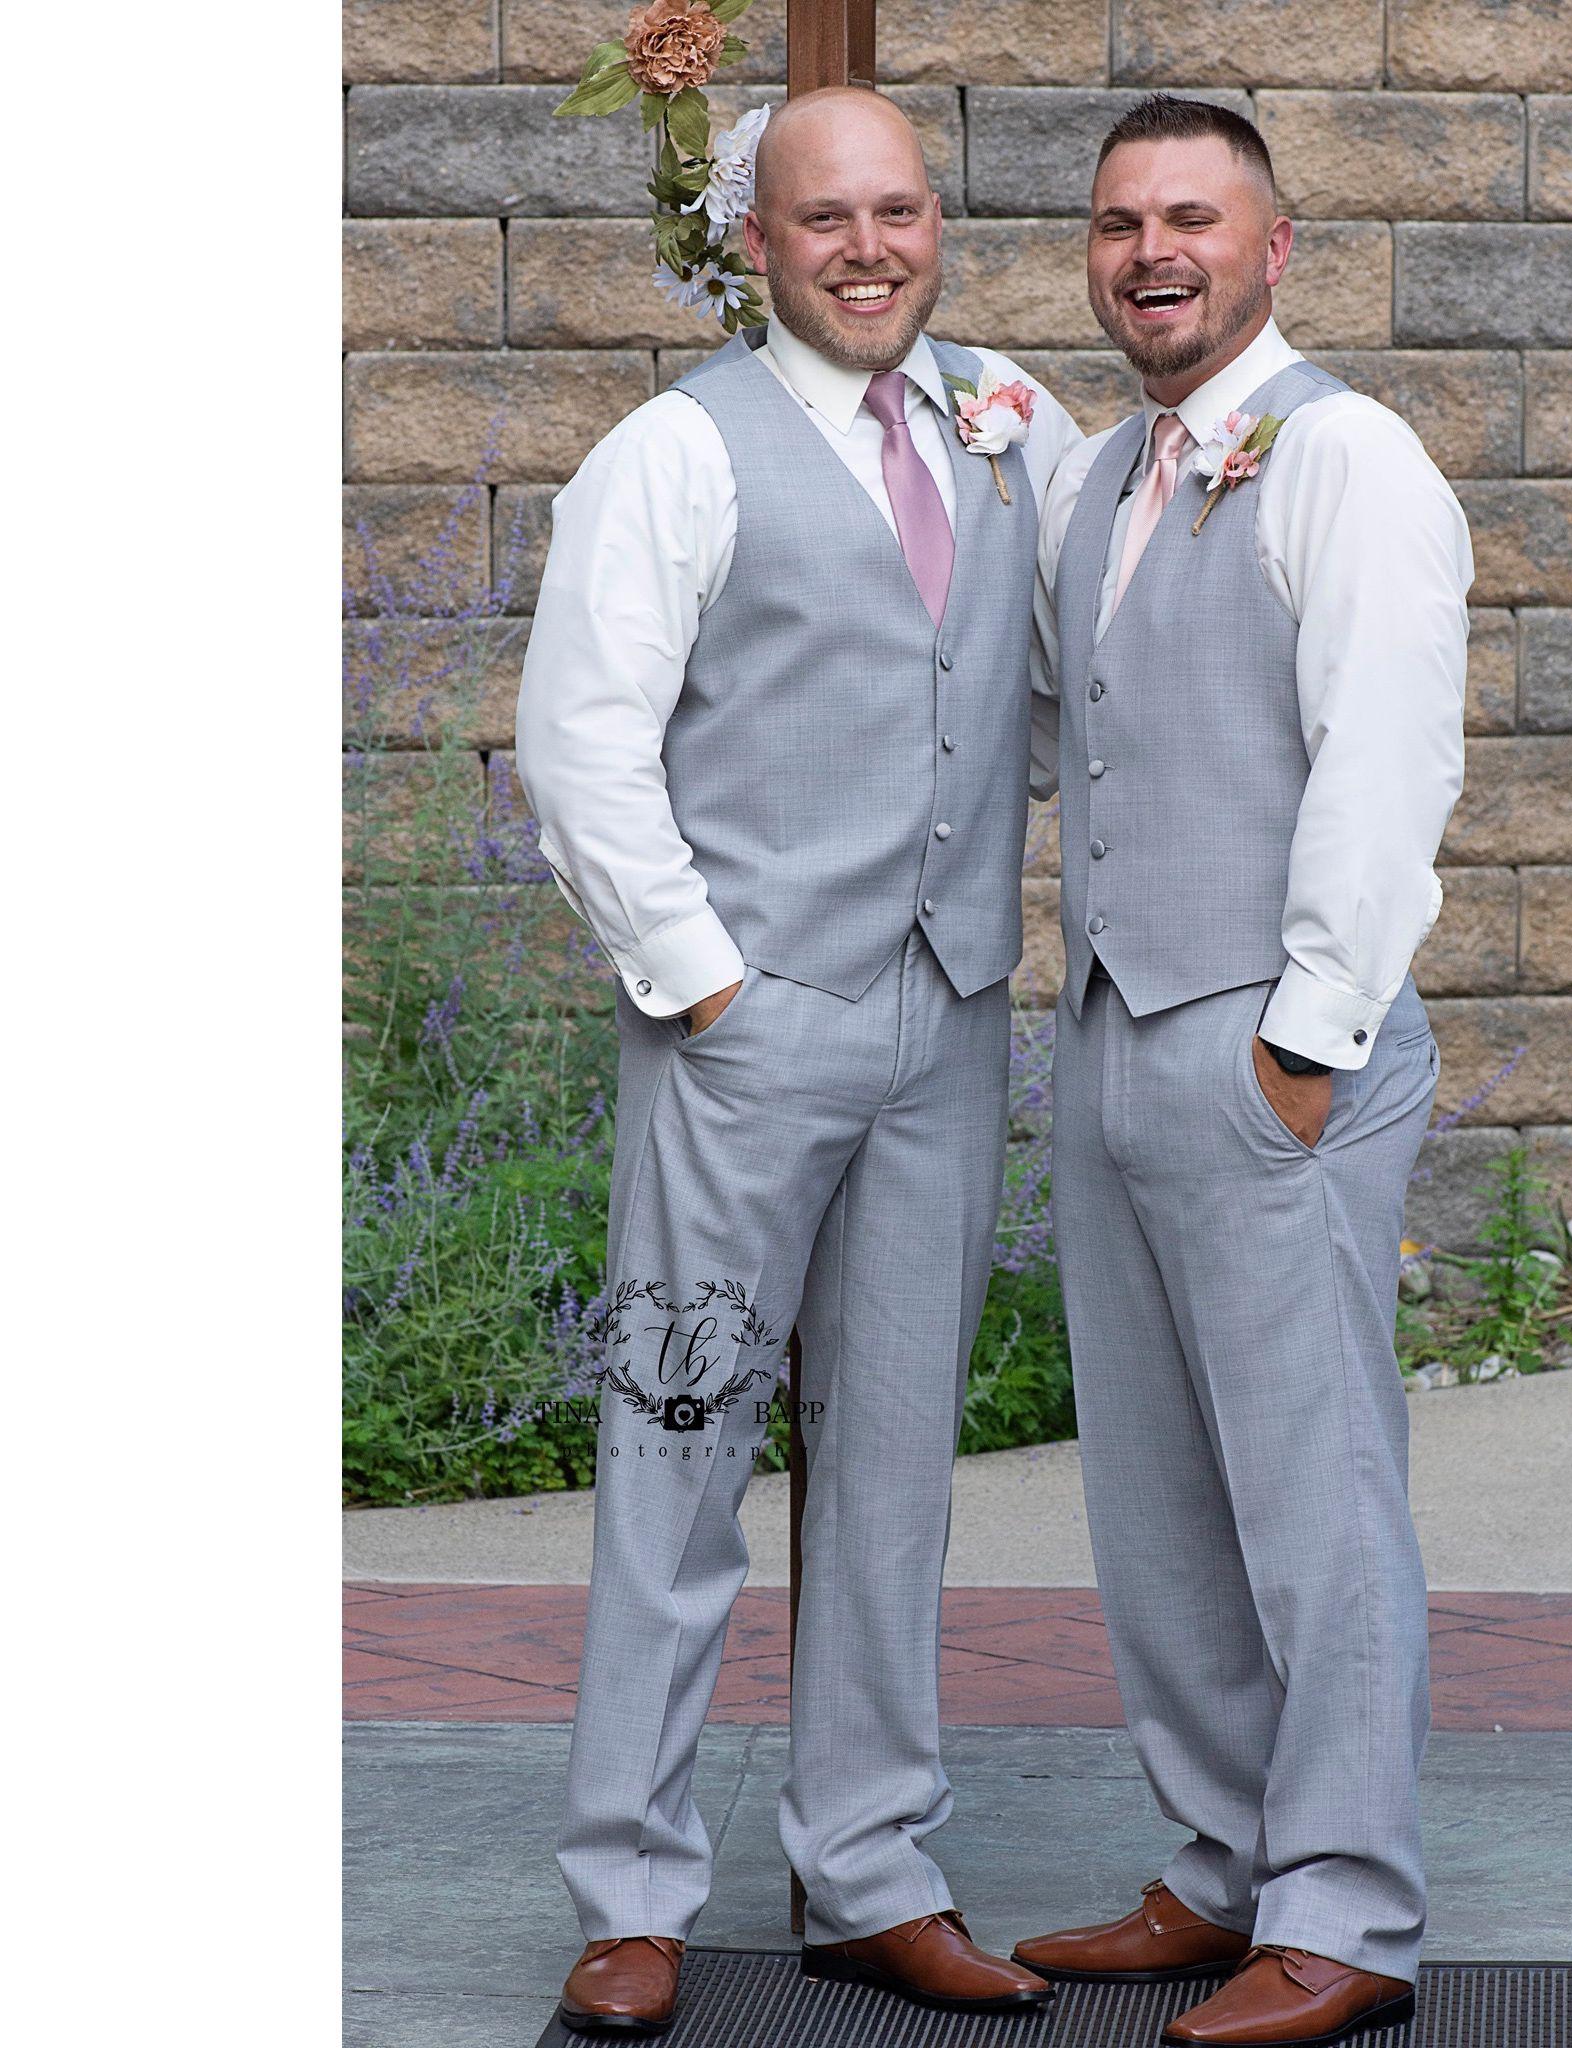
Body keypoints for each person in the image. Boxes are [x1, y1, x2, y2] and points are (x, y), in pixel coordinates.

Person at [514, 85, 1080, 2037]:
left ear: (937, 223)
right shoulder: (676, 453)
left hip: (946, 1021)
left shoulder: (1012, 424)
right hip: (743, 1031)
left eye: (897, 210)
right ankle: (629, 1888)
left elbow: (1078, 649)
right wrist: (706, 990)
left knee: (898, 1467)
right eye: (824, 216)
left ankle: (870, 1870)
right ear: (756, 240)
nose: (867, 248)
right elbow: (582, 744)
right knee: (675, 1448)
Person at [1010, 94, 1472, 2047]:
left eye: (1192, 218)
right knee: (1158, 1498)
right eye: (1122, 221)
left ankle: (1346, 1907)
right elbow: (1081, 724)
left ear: (1273, 249)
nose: (1153, 252)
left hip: (1272, 1051)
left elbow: (1387, 754)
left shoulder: (1346, 457)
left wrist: (1303, 1043)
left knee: (1314, 1493)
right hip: (1118, 1034)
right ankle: (1224, 1866)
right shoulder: (1099, 472)